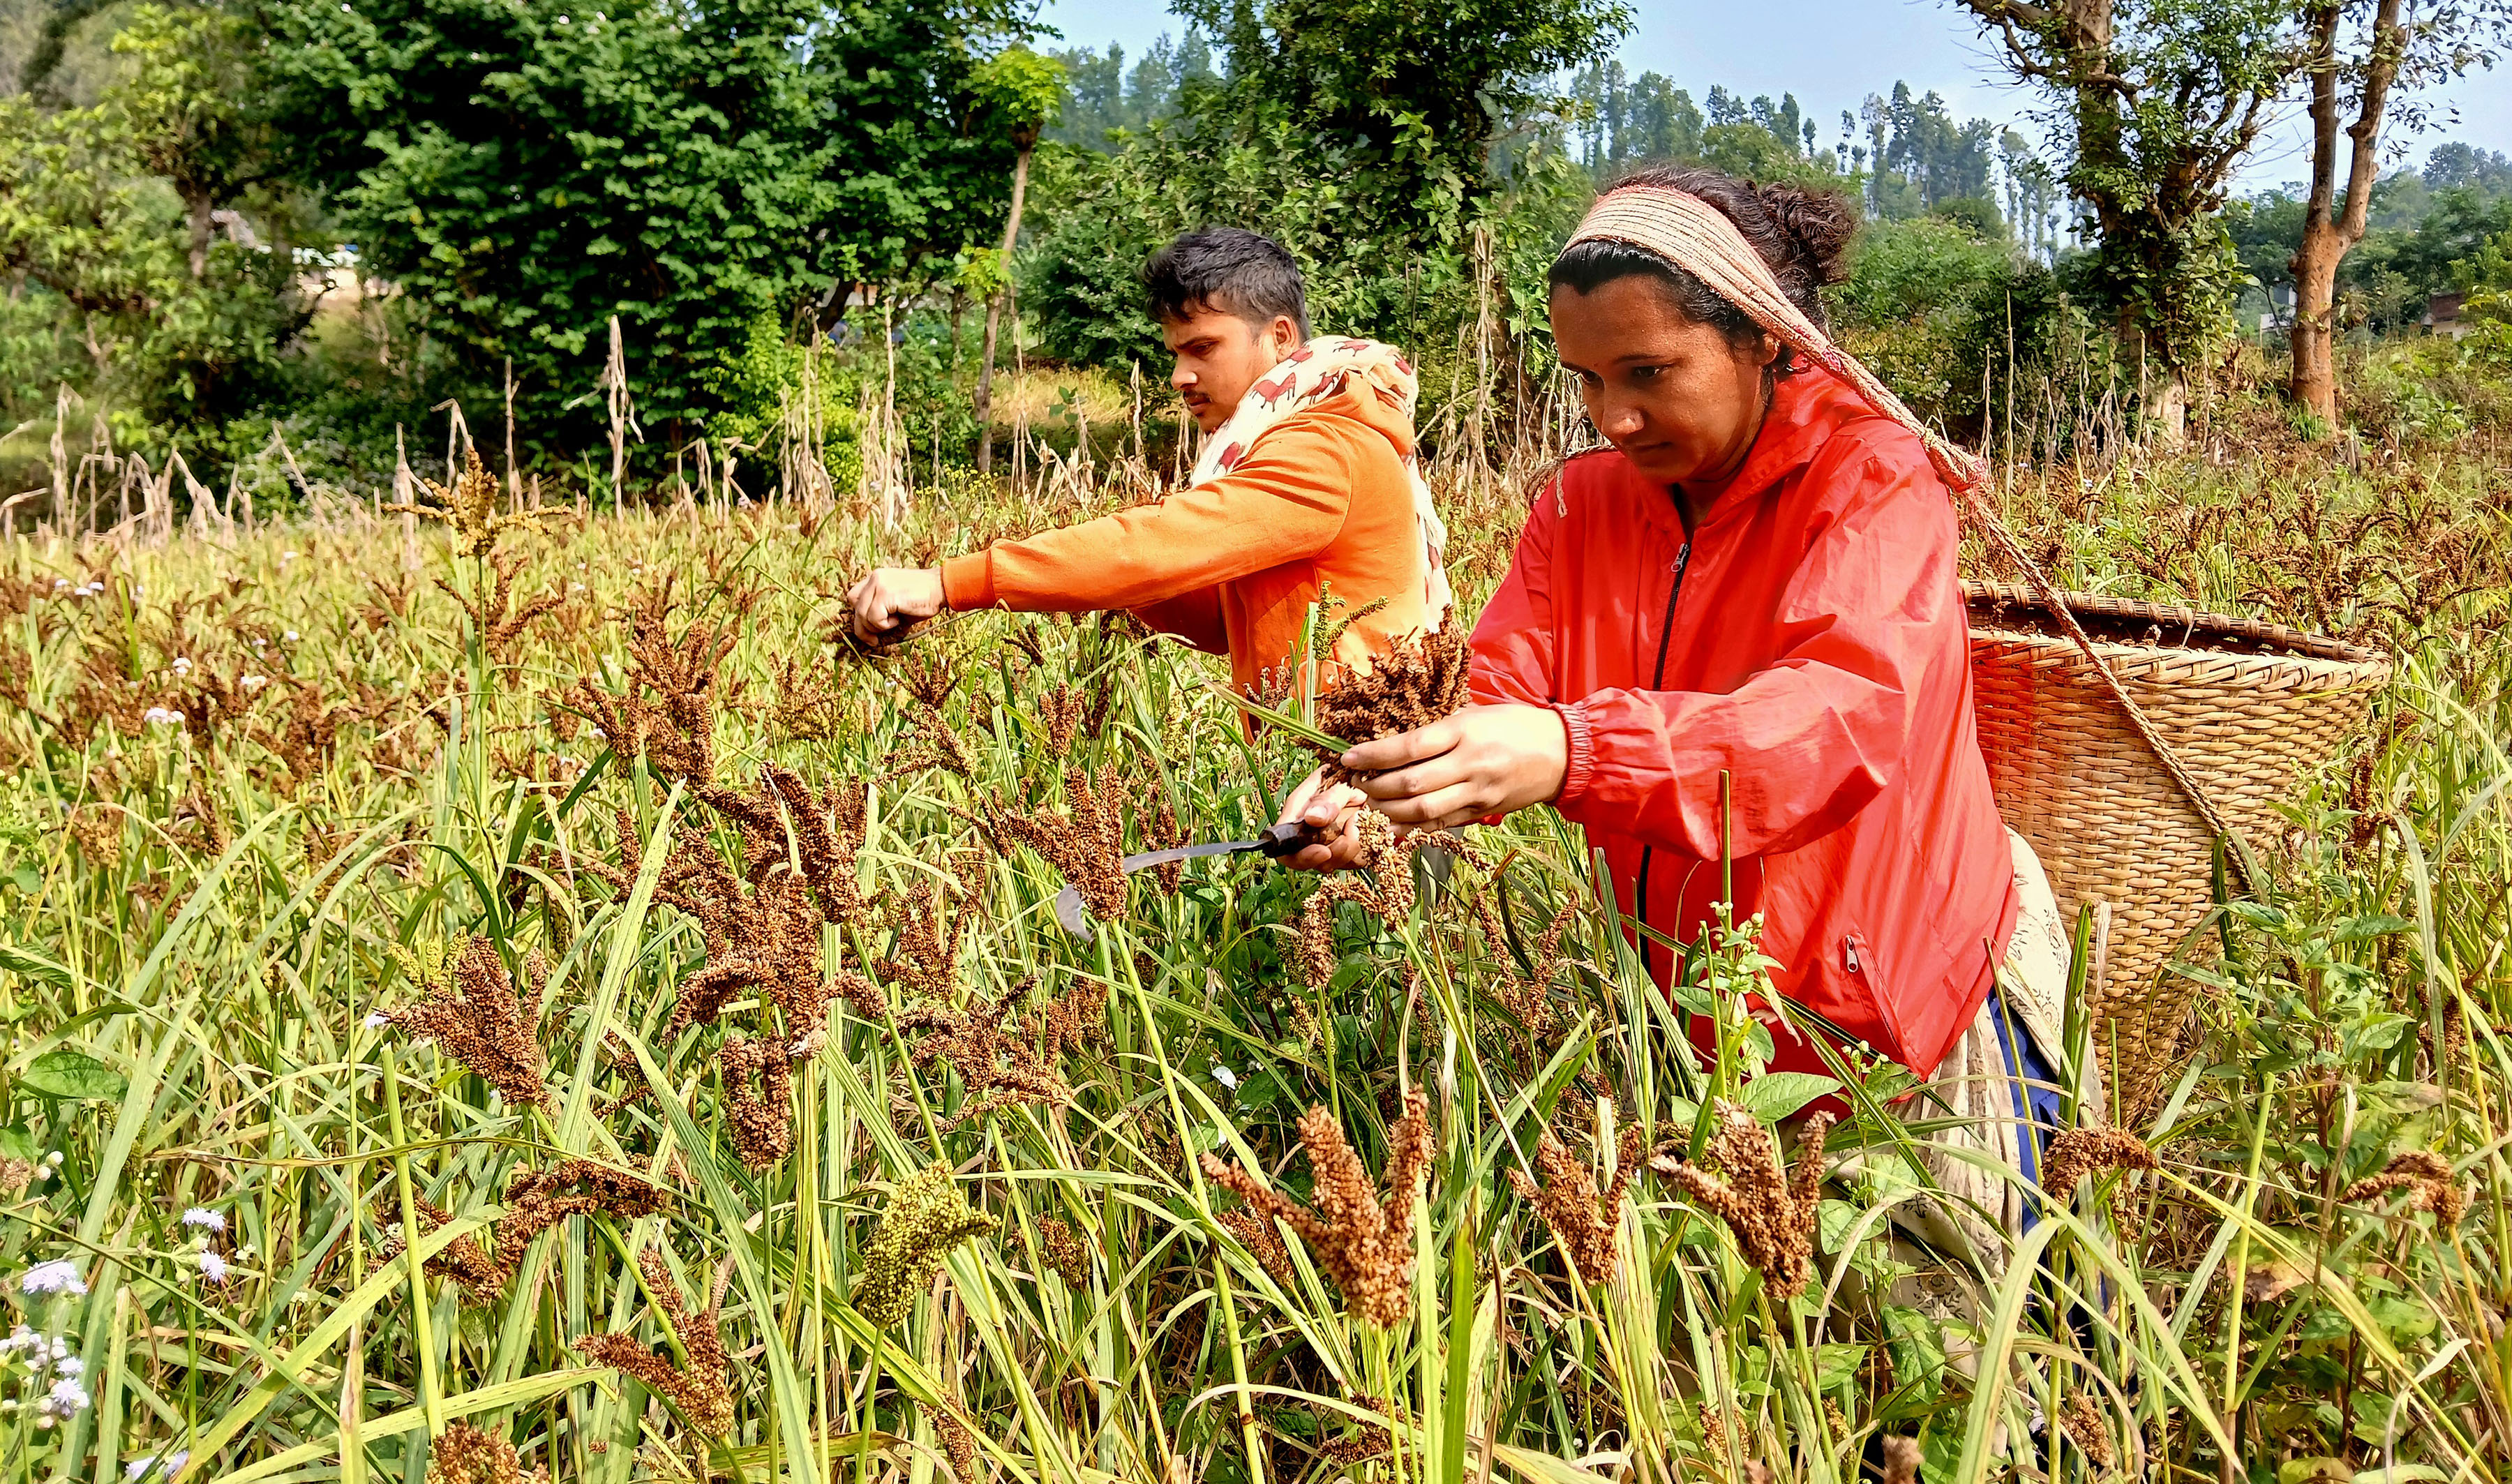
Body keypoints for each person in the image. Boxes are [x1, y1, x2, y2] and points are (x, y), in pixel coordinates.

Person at [1283, 166, 2099, 1268]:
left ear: (1765, 336)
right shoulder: (1581, 503)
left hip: (1905, 1003)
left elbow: (1838, 717)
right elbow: (1501, 684)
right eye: (1583, 380)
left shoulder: (1871, 479)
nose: (1612, 418)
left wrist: (1577, 749)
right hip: (1705, 1013)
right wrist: (1385, 785)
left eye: (1649, 373)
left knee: (1975, 1378)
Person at [846, 227, 1450, 694]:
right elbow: (1223, 621)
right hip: (1325, 793)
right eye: (1175, 353)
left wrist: (947, 583)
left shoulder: (1324, 447)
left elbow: (1159, 545)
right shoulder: (1294, 437)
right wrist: (1105, 585)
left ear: (1282, 337)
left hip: (1379, 803)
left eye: (1203, 348)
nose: (1180, 375)